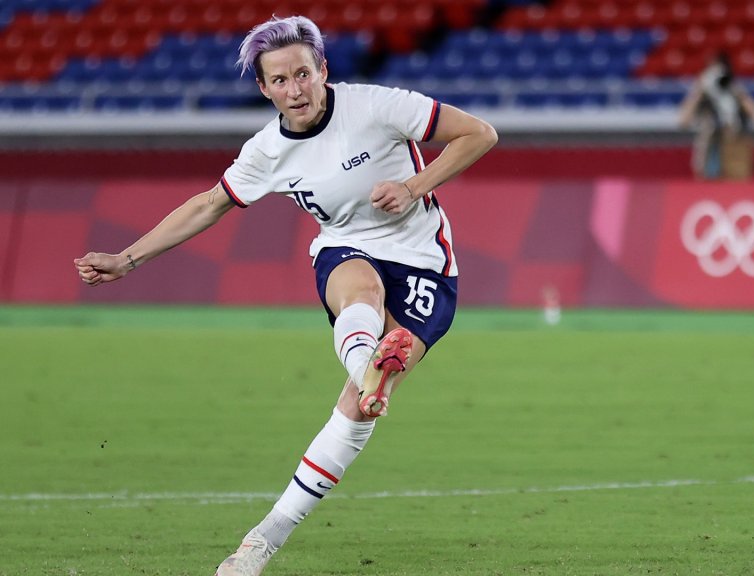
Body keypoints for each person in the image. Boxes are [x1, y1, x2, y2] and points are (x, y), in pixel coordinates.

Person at [73, 15, 497, 576]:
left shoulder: (376, 105)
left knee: (355, 405)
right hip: (345, 250)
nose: (295, 90)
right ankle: (258, 547)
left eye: (303, 73)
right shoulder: (268, 150)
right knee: (360, 293)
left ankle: (362, 386)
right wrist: (126, 259)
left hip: (426, 264)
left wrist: (414, 186)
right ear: (263, 88)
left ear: (323, 70)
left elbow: (480, 133)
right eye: (280, 80)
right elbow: (209, 204)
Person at [678, 51, 754, 180]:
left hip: (734, 154)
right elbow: (682, 121)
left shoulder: (734, 90)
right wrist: (699, 90)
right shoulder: (702, 96)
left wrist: (734, 89)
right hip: (708, 154)